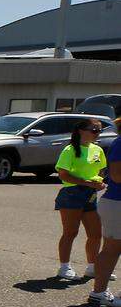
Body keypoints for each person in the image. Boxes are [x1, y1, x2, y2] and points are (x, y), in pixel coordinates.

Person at [54, 119, 108, 280]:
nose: (97, 134)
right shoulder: (70, 150)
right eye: (94, 130)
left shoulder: (97, 149)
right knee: (70, 232)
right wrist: (86, 182)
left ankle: (92, 267)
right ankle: (64, 267)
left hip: (90, 194)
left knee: (95, 233)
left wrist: (99, 182)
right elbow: (63, 174)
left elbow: (102, 170)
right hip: (72, 193)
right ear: (81, 131)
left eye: (99, 131)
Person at [88, 117, 121, 307]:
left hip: (115, 203)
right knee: (111, 249)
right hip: (116, 203)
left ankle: (99, 292)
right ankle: (99, 292)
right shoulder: (120, 143)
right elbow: (116, 175)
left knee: (112, 249)